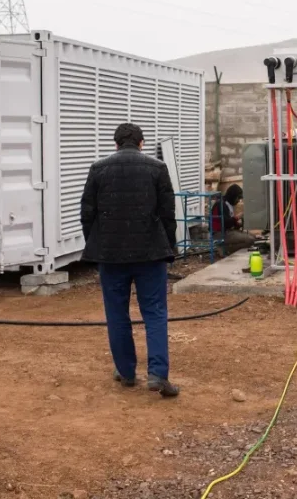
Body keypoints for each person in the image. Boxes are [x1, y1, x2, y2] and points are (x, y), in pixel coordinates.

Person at [80, 122, 179, 397]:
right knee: (155, 312)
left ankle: (126, 372)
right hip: (150, 253)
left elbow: (87, 214)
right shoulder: (157, 168)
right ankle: (157, 374)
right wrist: (169, 247)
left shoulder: (98, 169)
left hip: (111, 255)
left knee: (116, 313)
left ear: (115, 144)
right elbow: (168, 213)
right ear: (141, 143)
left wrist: (96, 244)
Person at [211, 184, 256, 254]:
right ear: (233, 196)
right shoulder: (221, 204)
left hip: (227, 231)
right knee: (250, 240)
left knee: (253, 237)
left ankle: (226, 247)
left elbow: (230, 222)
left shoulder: (228, 204)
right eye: (238, 198)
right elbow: (226, 223)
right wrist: (238, 217)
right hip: (219, 234)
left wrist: (239, 224)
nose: (238, 200)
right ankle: (224, 249)